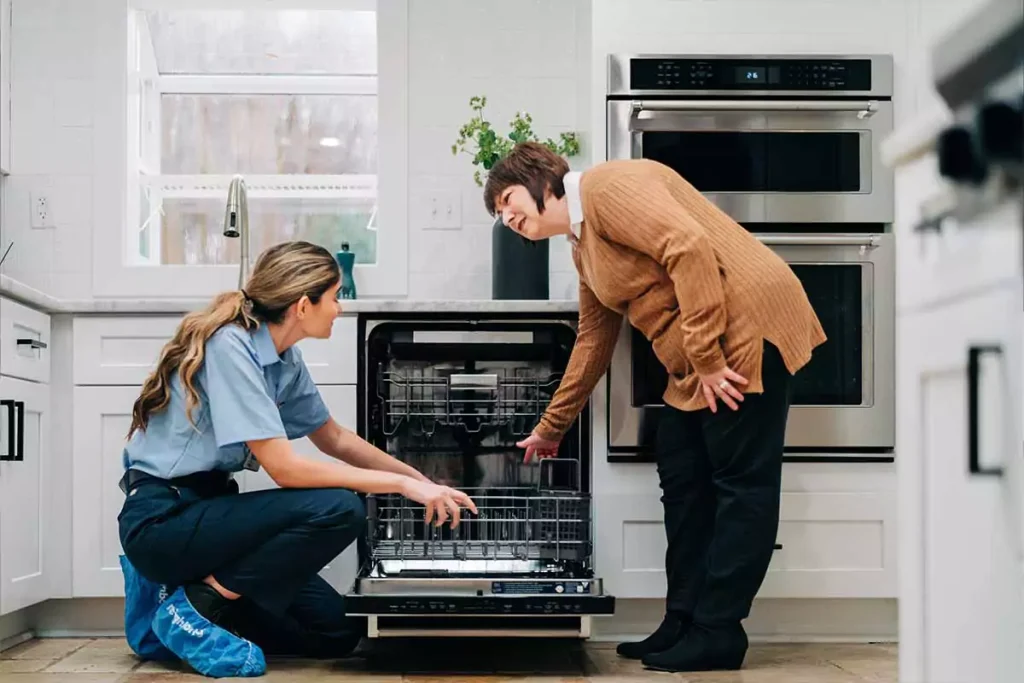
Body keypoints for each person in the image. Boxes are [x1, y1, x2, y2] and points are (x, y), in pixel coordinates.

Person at [483, 143, 826, 673]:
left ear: (542, 181)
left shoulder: (606, 187)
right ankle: (683, 619)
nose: (507, 218)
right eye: (499, 215)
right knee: (683, 478)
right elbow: (595, 336)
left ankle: (718, 631)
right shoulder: (582, 244)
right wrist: (552, 426)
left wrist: (709, 360)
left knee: (741, 487)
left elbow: (686, 248)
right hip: (698, 356)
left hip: (744, 330)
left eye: (507, 200)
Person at [116, 240, 477, 678]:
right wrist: (401, 487)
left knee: (337, 633)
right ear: (304, 305)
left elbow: (336, 438)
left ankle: (186, 615)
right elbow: (285, 470)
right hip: (163, 521)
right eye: (335, 297)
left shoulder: (286, 360)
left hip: (213, 523)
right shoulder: (231, 346)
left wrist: (422, 481)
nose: (340, 309)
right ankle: (193, 608)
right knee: (341, 507)